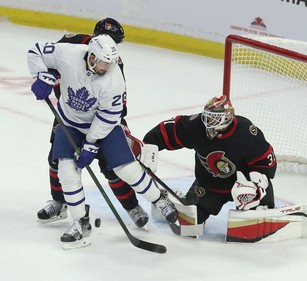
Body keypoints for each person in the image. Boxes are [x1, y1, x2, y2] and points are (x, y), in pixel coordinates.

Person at [27, 34, 178, 248]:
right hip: (69, 123)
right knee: (67, 171)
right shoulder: (69, 54)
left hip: (104, 128)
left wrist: (91, 143)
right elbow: (36, 50)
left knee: (126, 169)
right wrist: (41, 75)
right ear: (91, 56)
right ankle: (81, 222)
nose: (106, 67)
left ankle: (159, 199)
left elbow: (108, 116)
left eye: (110, 63)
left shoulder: (114, 80)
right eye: (103, 62)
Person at [36, 18, 149, 229]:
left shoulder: (113, 64)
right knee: (56, 160)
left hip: (101, 118)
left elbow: (118, 106)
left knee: (112, 168)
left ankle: (132, 206)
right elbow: (49, 60)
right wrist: (47, 75)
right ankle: (59, 203)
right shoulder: (73, 44)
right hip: (69, 114)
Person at [143, 95, 276, 224]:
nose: (208, 121)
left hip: (242, 184)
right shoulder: (197, 125)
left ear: (227, 118)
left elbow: (265, 161)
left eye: (215, 118)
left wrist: (257, 185)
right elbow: (171, 130)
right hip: (209, 186)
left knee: (250, 202)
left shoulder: (245, 131)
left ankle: (262, 208)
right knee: (189, 221)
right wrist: (147, 146)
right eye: (208, 116)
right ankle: (173, 199)